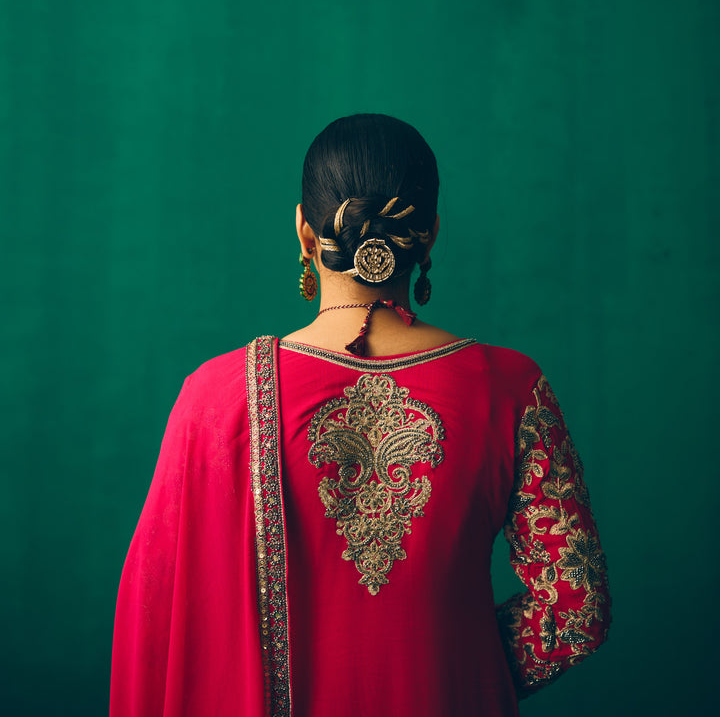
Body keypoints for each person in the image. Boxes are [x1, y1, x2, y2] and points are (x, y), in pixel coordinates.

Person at [110, 113, 611, 717]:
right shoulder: (511, 389)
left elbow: (157, 619)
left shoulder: (217, 399)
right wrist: (454, 664)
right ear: (430, 236)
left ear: (302, 232)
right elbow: (576, 609)